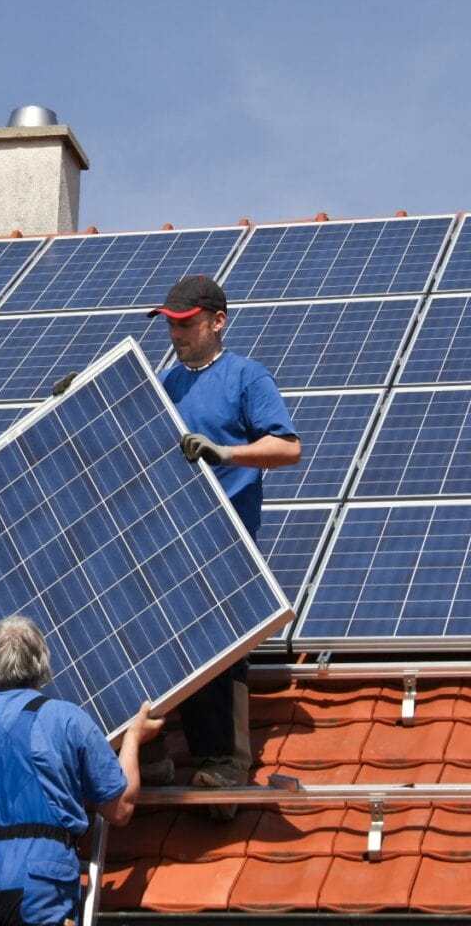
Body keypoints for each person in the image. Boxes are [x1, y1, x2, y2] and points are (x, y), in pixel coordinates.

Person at [143, 273, 301, 816]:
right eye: (171, 325)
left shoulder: (245, 377)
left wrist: (225, 455)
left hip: (225, 536)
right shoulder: (165, 384)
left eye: (186, 324)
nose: (177, 334)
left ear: (217, 321)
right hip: (169, 538)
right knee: (148, 641)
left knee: (219, 646)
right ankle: (151, 752)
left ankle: (223, 767)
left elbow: (287, 447)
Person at [0, 614, 164, 926]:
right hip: (41, 878)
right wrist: (133, 738)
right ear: (43, 668)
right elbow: (120, 808)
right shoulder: (68, 720)